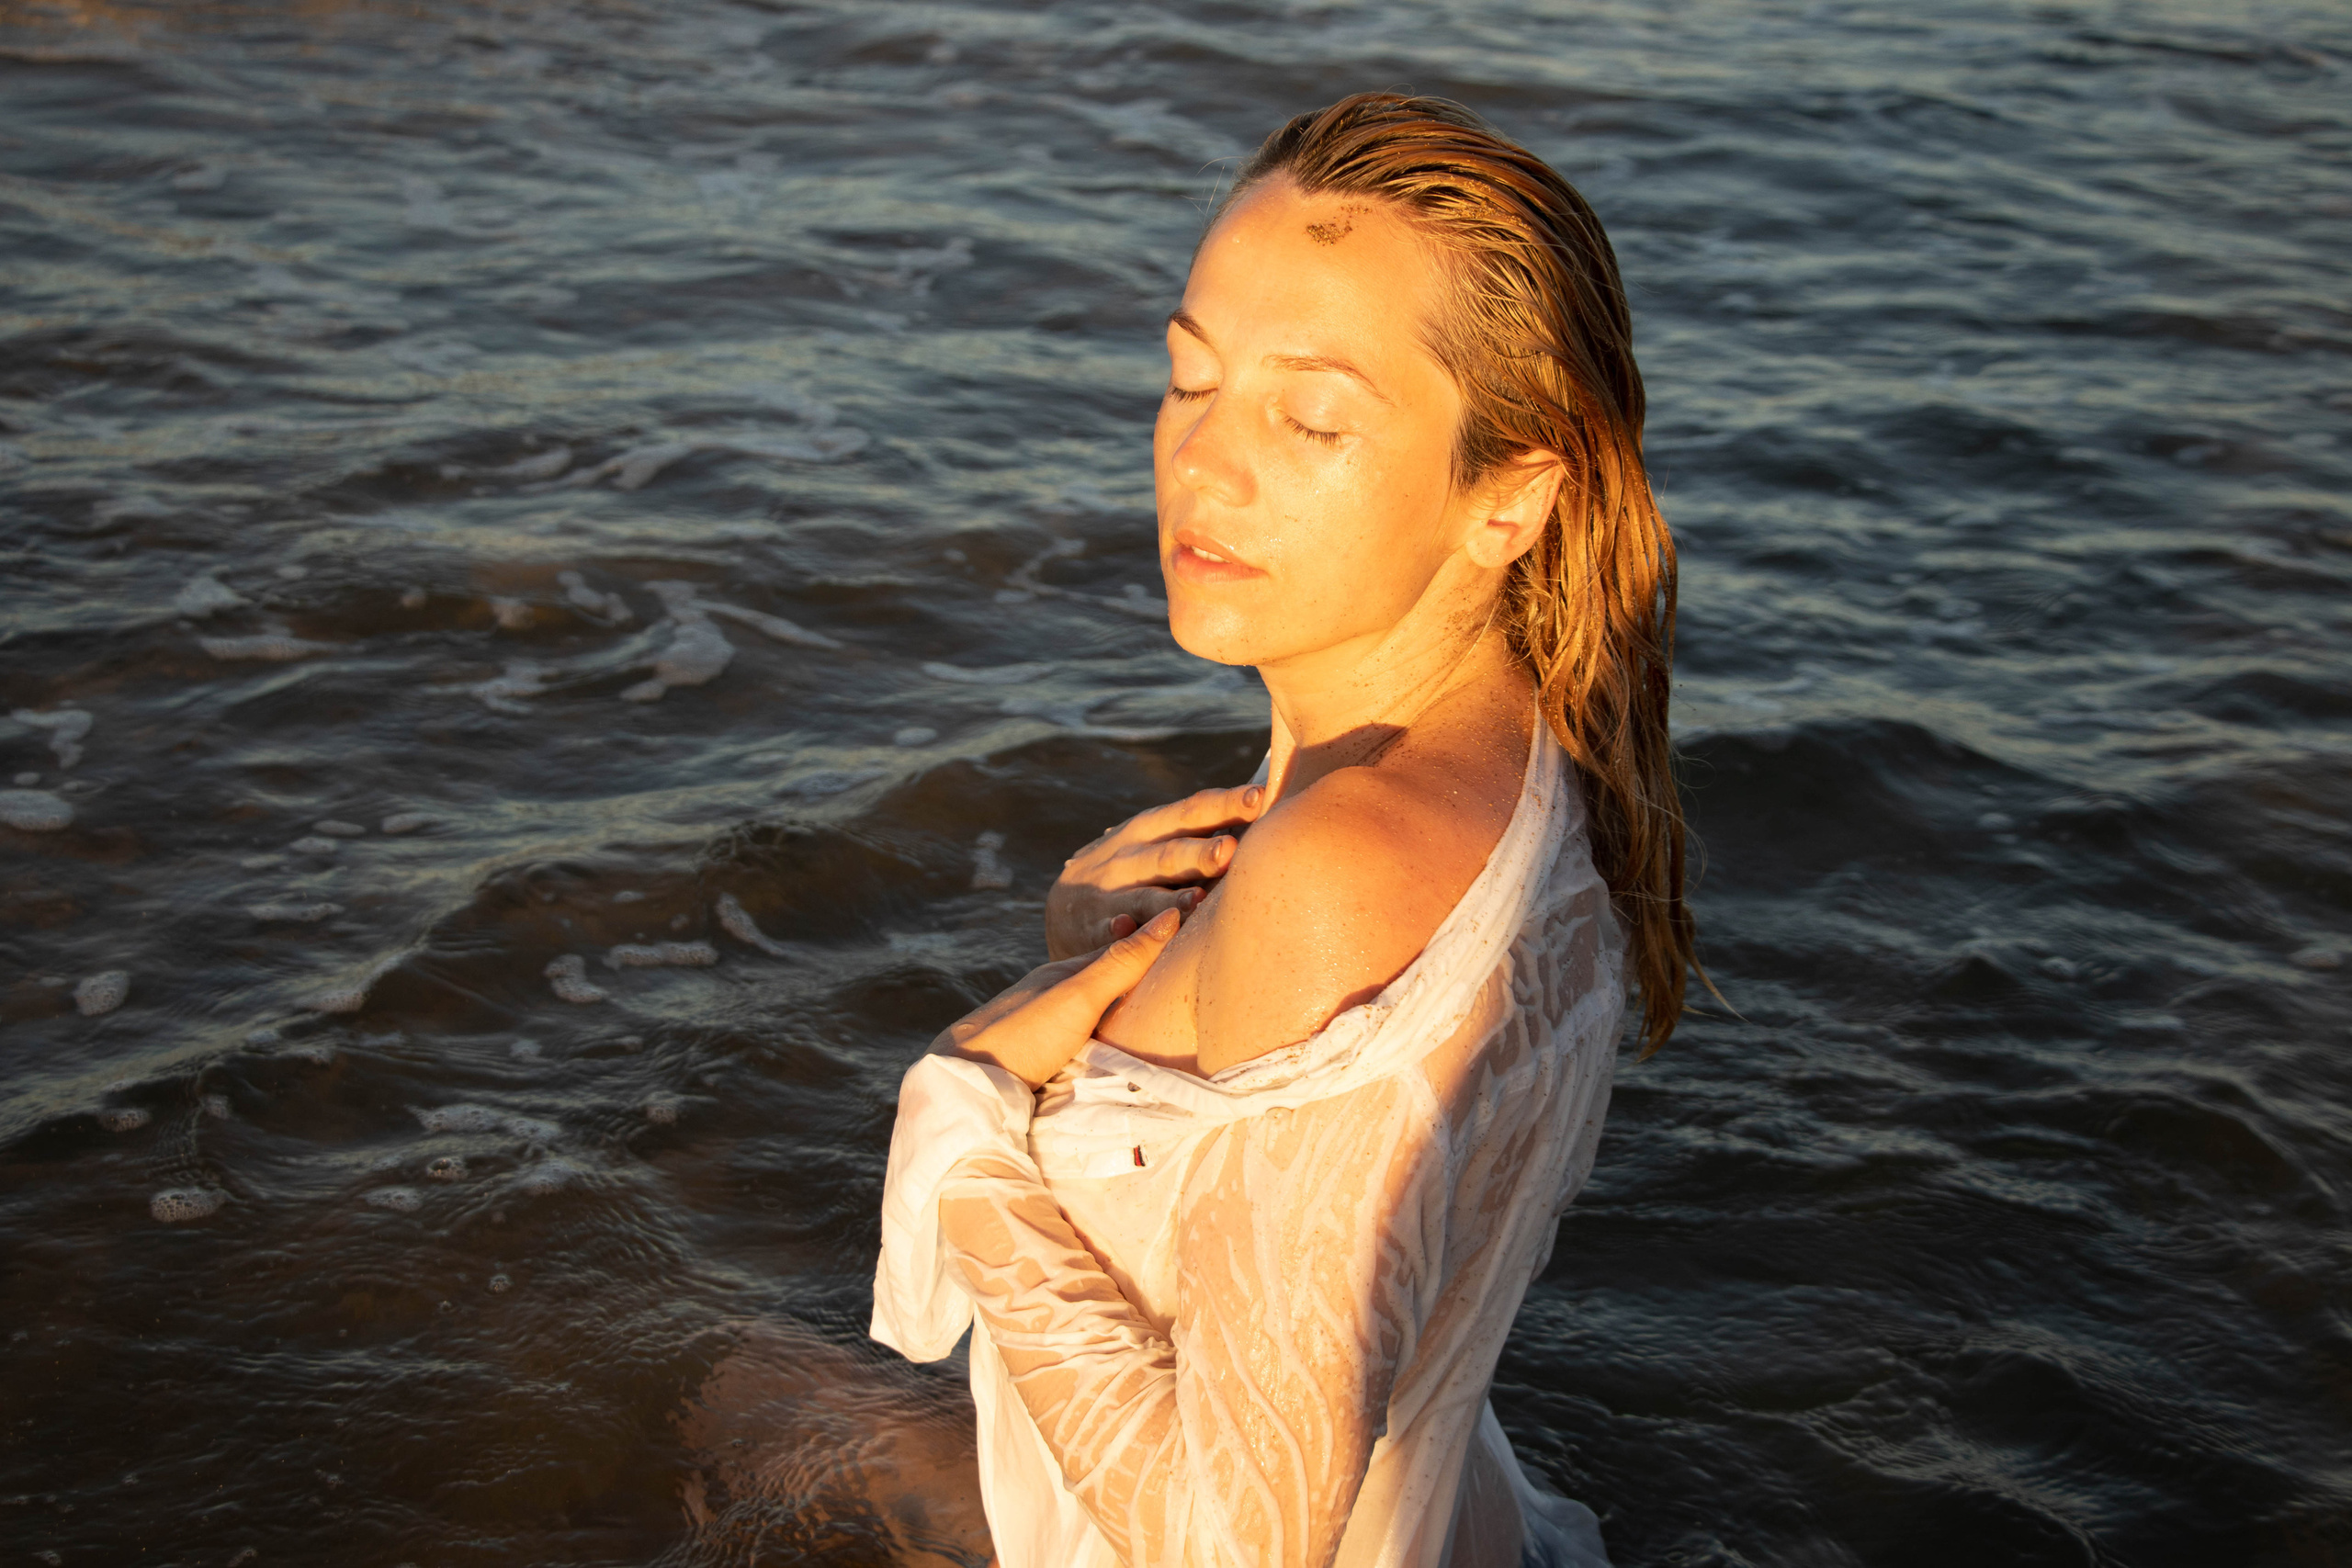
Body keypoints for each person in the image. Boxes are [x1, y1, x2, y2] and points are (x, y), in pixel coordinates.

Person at [870, 92, 1698, 1568]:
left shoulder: (1339, 862)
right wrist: (1124, 975)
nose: (1207, 462)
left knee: (703, 1403)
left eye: (1311, 416)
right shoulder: (1532, 757)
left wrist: (966, 1116)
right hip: (1469, 1533)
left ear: (1511, 497)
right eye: (1190, 381)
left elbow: (1236, 1545)